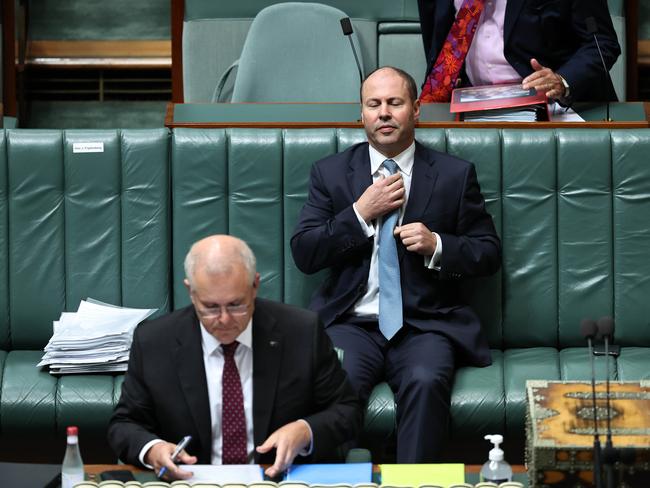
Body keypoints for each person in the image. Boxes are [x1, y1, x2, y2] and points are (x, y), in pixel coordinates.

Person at [290, 66, 501, 462]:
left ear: (416, 110)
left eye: (394, 103)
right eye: (374, 104)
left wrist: (438, 244)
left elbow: (488, 252)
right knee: (335, 384)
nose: (384, 113)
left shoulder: (455, 175)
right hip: (352, 323)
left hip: (426, 324)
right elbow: (305, 252)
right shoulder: (331, 173)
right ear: (362, 114)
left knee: (425, 380)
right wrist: (358, 213)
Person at [108, 235, 360, 480]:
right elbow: (124, 424)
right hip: (192, 479)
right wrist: (153, 449)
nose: (225, 319)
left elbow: (347, 410)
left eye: (236, 305)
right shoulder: (154, 341)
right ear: (191, 292)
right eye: (210, 307)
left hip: (277, 478)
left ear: (255, 286)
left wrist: (305, 430)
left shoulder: (301, 332)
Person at [417, 0, 621, 102]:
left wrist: (562, 80)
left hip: (556, 106)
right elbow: (437, 45)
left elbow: (602, 42)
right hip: (471, 105)